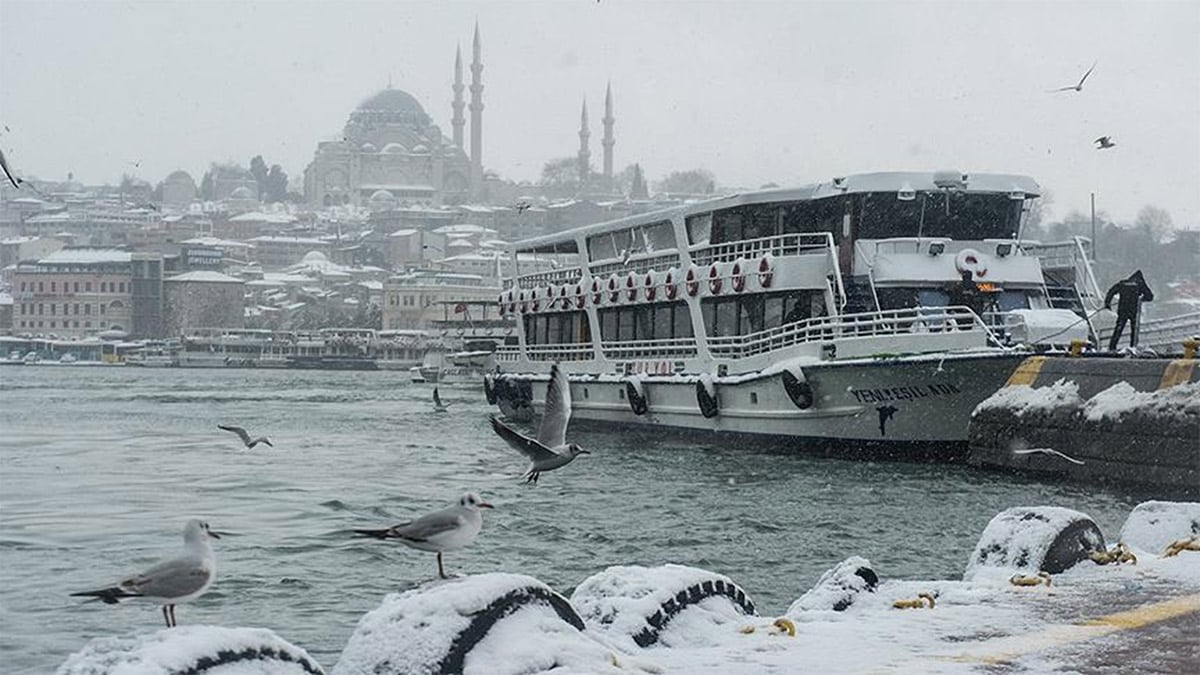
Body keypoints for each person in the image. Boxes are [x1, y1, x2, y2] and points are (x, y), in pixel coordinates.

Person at [1104, 270, 1154, 351]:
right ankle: (1133, 346)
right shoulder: (1140, 284)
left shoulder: (1123, 283)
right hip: (1133, 310)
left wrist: (1107, 303)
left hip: (1122, 309)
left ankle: (1112, 347)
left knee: (1119, 328)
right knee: (1134, 330)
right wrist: (1140, 299)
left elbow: (1111, 292)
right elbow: (1150, 296)